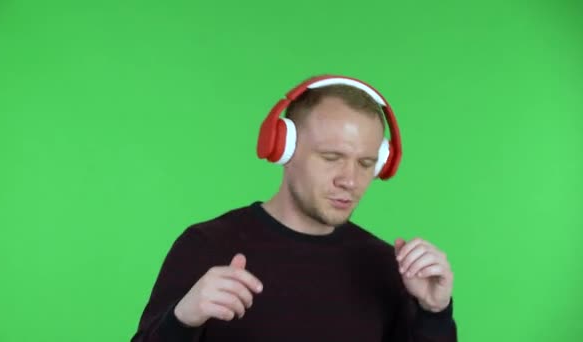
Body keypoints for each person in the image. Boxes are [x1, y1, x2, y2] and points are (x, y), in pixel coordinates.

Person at [130, 75, 458, 342]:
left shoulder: (387, 266)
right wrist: (182, 319)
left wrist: (434, 313)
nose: (350, 180)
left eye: (366, 163)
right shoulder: (205, 245)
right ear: (283, 149)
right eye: (332, 158)